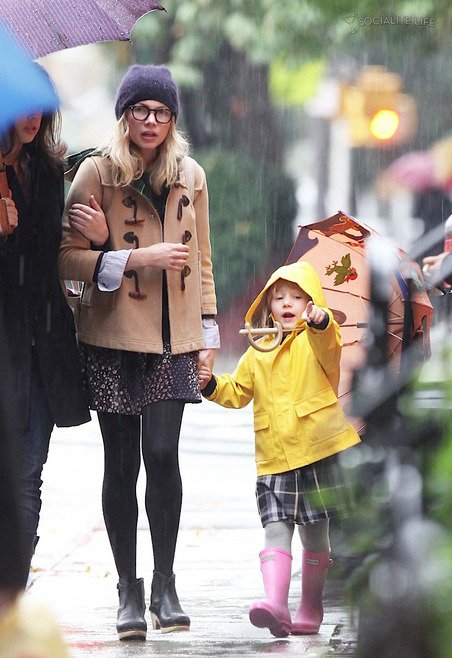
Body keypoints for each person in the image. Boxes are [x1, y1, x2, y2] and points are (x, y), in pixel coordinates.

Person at [58, 64, 219, 641]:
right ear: (123, 115)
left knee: (165, 455)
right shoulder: (95, 175)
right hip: (111, 339)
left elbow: (202, 261)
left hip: (174, 341)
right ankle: (127, 587)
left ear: (173, 120)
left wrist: (208, 336)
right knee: (121, 464)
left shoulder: (191, 176)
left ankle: (165, 582)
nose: (150, 122)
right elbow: (67, 260)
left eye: (162, 112)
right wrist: (127, 258)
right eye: (140, 111)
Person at [199, 261, 360, 638]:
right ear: (267, 305)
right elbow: (236, 392)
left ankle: (311, 605)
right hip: (273, 456)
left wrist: (320, 322)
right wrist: (209, 385)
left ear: (311, 302)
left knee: (316, 535)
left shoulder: (319, 340)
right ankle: (275, 603)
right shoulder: (259, 349)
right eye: (278, 297)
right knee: (274, 529)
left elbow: (329, 341)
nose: (287, 303)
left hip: (318, 451)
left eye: (297, 297)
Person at [0, 77, 91, 588]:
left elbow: (49, 255)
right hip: (4, 338)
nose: (33, 118)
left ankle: (13, 582)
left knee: (30, 470)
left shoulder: (50, 168)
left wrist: (91, 239)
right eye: (23, 106)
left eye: (42, 107)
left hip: (44, 337)